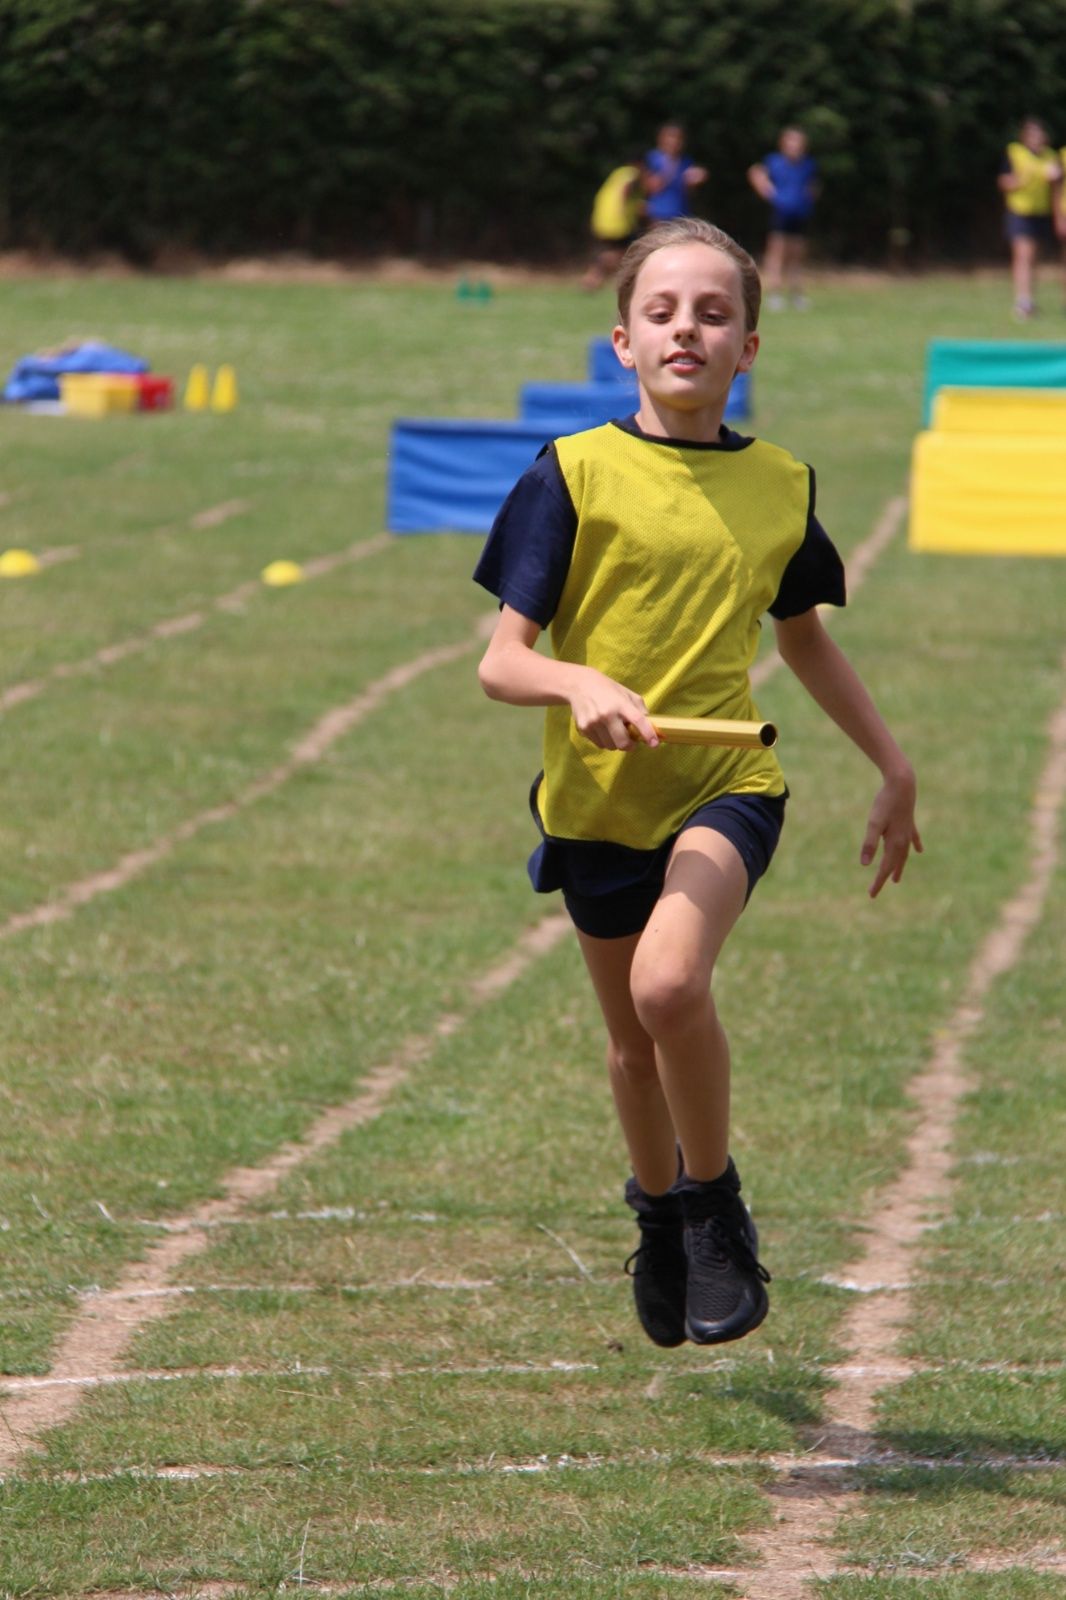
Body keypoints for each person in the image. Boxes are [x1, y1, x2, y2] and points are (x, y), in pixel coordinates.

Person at [473, 218, 921, 1349]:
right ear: (622, 340)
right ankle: (661, 1215)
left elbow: (803, 638)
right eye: (662, 312)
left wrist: (892, 763)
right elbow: (501, 662)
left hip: (727, 780)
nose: (687, 330)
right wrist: (576, 683)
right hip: (594, 803)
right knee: (632, 1045)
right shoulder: (572, 472)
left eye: (713, 314)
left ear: (748, 347)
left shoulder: (779, 484)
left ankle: (715, 1206)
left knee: (670, 988)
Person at [747, 127, 819, 310]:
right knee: (777, 253)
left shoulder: (808, 164)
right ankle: (775, 294)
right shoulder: (774, 161)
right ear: (783, 144)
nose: (795, 146)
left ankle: (796, 293)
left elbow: (813, 185)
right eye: (791, 142)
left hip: (800, 214)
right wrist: (769, 193)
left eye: (798, 143)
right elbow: (755, 172)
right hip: (780, 213)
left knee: (797, 255)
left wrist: (808, 199)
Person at [998, 116, 1062, 319]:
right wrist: (1021, 181)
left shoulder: (1051, 156)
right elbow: (1003, 182)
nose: (1037, 138)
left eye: (1040, 134)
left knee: (1034, 258)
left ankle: (1030, 300)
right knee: (1023, 256)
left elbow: (1057, 190)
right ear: (1025, 137)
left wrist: (1058, 215)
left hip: (1042, 213)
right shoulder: (1015, 153)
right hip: (1020, 212)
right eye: (1033, 135)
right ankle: (1022, 302)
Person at [581, 160, 645, 291]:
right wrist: (625, 208)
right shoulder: (631, 173)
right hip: (617, 223)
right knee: (627, 252)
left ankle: (593, 277)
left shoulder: (618, 174)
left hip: (604, 220)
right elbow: (626, 188)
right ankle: (594, 275)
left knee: (618, 251)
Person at [643, 122, 707, 224]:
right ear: (661, 138)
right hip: (659, 214)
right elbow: (648, 188)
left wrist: (694, 182)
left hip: (681, 213)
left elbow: (690, 193)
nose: (675, 142)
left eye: (679, 138)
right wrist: (669, 170)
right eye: (671, 137)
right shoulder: (653, 158)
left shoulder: (686, 161)